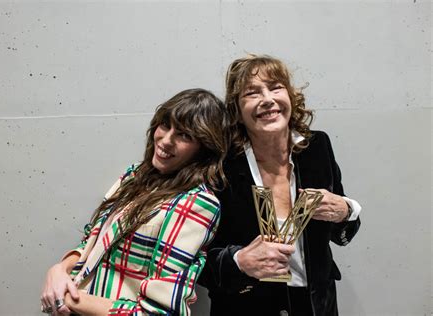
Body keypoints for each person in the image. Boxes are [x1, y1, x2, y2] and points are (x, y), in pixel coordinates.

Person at [41, 88, 229, 315]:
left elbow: (157, 312)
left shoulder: (196, 204)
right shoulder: (134, 176)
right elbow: (92, 240)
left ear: (204, 149)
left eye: (184, 136)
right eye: (165, 125)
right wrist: (59, 270)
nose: (166, 140)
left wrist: (69, 299)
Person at [199, 54, 362, 315]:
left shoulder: (317, 147)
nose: (267, 99)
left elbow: (341, 233)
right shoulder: (220, 166)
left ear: (289, 96)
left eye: (275, 87)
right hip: (247, 307)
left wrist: (346, 210)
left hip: (316, 305)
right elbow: (195, 260)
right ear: (238, 113)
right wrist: (238, 261)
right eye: (251, 93)